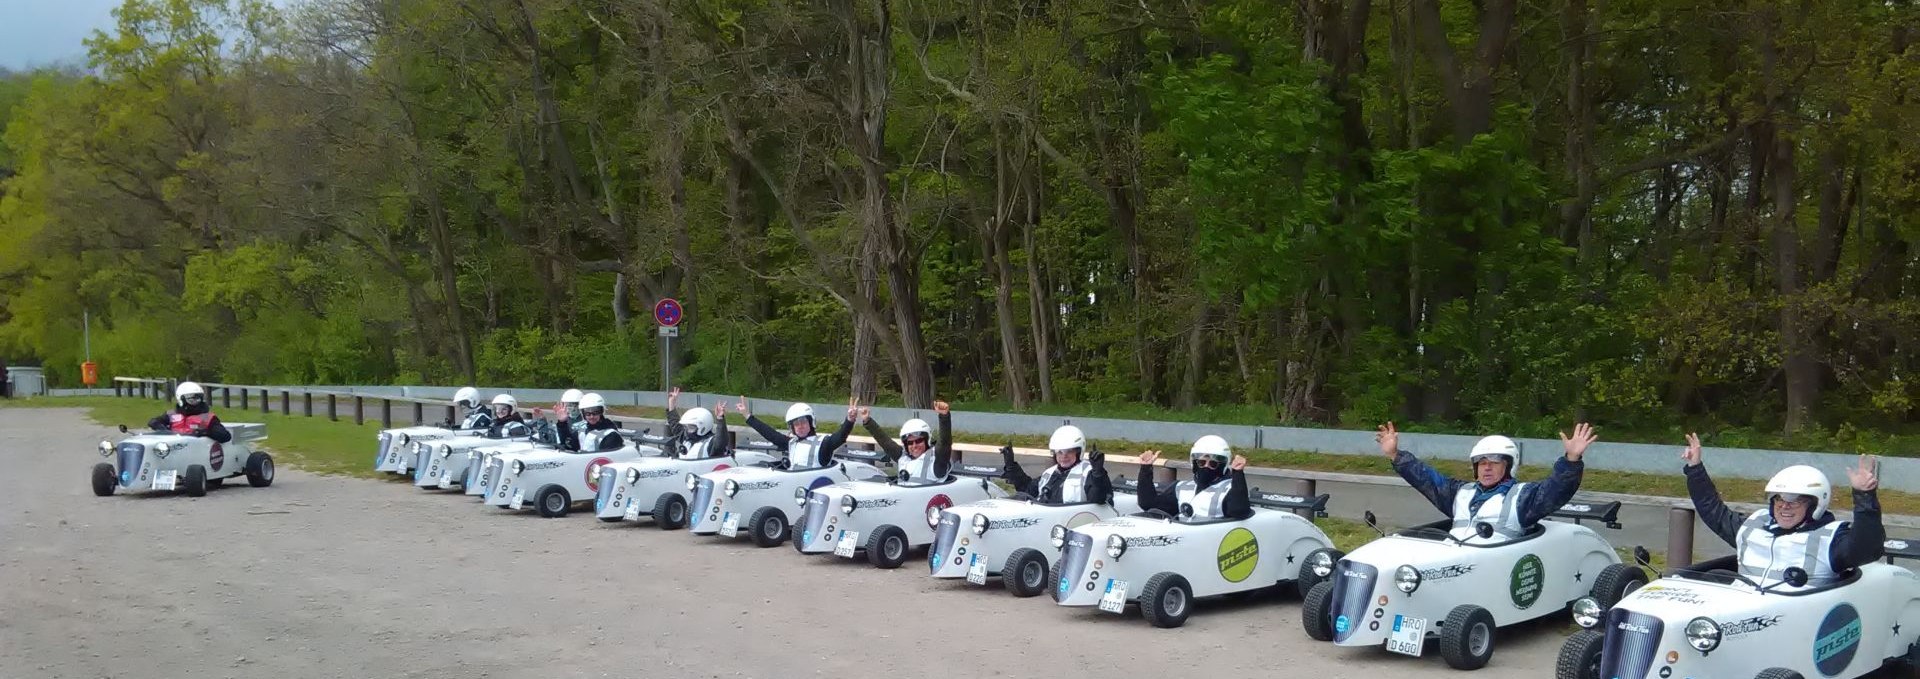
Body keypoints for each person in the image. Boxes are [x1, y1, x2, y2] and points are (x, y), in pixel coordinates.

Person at [1682, 433, 1883, 589]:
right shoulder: (1754, 526)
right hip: (1737, 618)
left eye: (1795, 500)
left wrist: (1864, 496)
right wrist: (1695, 468)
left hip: (1797, 625)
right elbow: (1713, 511)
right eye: (1779, 499)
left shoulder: (1831, 539)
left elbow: (1867, 548)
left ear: (1814, 505)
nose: (1784, 506)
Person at [1378, 421, 1596, 542]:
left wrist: (1571, 459)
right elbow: (1425, 478)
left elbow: (1556, 490)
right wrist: (1395, 455)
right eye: (1482, 463)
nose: (1487, 467)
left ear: (1509, 466)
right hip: (1450, 562)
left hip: (1493, 571)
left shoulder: (1522, 497)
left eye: (1494, 462)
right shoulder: (1459, 492)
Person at [1136, 435, 1249, 520]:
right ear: (1194, 463)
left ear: (1222, 466)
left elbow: (1239, 511)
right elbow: (1148, 504)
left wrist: (1238, 473)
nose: (1206, 467)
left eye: (1213, 464)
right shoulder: (1181, 488)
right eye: (1201, 462)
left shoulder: (1231, 488)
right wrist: (1146, 469)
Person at [734, 396, 858, 469]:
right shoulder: (791, 443)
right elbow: (769, 433)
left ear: (811, 422)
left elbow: (840, 436)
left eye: (803, 422)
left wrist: (850, 420)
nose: (800, 427)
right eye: (796, 424)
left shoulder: (824, 444)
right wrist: (747, 416)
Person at [1000, 425, 1112, 505]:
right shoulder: (1050, 473)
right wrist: (1011, 465)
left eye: (1069, 451)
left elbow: (1098, 499)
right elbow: (1027, 490)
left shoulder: (1088, 472)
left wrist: (1098, 473)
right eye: (1060, 452)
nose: (1064, 456)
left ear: (1078, 452)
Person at [860, 400, 953, 482]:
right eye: (910, 443)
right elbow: (885, 442)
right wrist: (868, 421)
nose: (914, 445)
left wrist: (944, 416)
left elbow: (945, 443)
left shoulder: (937, 461)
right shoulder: (903, 458)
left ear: (927, 440)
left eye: (919, 441)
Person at [146, 381, 232, 443]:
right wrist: (164, 430)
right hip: (174, 448)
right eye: (192, 399)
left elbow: (225, 436)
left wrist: (205, 432)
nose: (196, 402)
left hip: (195, 451)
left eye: (198, 398)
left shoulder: (207, 418)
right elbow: (153, 422)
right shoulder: (172, 414)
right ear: (181, 399)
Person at [665, 387, 728, 459]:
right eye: (687, 427)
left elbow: (721, 440)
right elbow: (675, 425)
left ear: (703, 427)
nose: (688, 430)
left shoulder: (711, 444)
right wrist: (671, 403)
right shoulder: (687, 439)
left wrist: (720, 419)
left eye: (691, 427)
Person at [556, 392, 624, 452]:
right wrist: (562, 423)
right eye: (587, 413)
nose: (591, 416)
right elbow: (568, 444)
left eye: (595, 412)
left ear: (602, 412)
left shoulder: (610, 434)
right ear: (583, 414)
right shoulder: (582, 431)